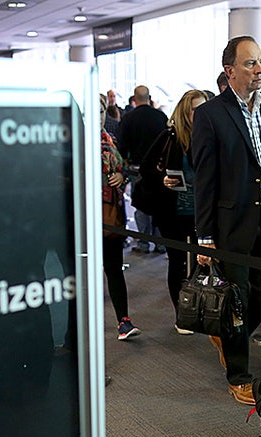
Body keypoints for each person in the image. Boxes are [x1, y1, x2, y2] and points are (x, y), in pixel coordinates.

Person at [192, 35, 261, 405]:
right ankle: (239, 375)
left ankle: (227, 334)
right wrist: (204, 236)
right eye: (250, 63)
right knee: (236, 299)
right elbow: (205, 179)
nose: (259, 69)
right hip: (230, 223)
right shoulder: (210, 114)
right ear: (230, 70)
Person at [156, 89, 210, 333]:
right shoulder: (172, 136)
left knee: (205, 263)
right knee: (177, 263)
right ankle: (182, 315)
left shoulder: (210, 135)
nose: (200, 114)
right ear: (185, 112)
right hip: (175, 211)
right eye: (195, 110)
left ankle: (203, 311)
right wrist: (163, 180)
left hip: (203, 211)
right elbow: (148, 167)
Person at [100, 97, 142, 341]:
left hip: (111, 214)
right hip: (83, 218)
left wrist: (121, 176)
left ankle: (123, 321)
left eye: (101, 111)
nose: (99, 117)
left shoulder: (110, 140)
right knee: (80, 276)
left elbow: (124, 167)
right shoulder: (74, 143)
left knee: (114, 268)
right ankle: (73, 332)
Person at [117, 85, 171, 254]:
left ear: (134, 99)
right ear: (149, 97)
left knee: (141, 205)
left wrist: (125, 164)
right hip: (158, 168)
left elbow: (122, 146)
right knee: (159, 205)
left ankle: (143, 243)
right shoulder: (160, 116)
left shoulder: (128, 118)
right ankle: (161, 243)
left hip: (137, 169)